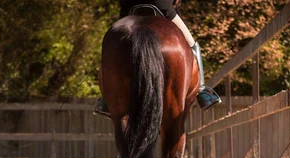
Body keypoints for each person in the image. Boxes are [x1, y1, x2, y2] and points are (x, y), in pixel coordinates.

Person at [94, 0, 222, 118]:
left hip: (129, 6)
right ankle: (202, 91)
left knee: (112, 48)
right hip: (162, 5)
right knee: (193, 45)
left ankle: (107, 96)